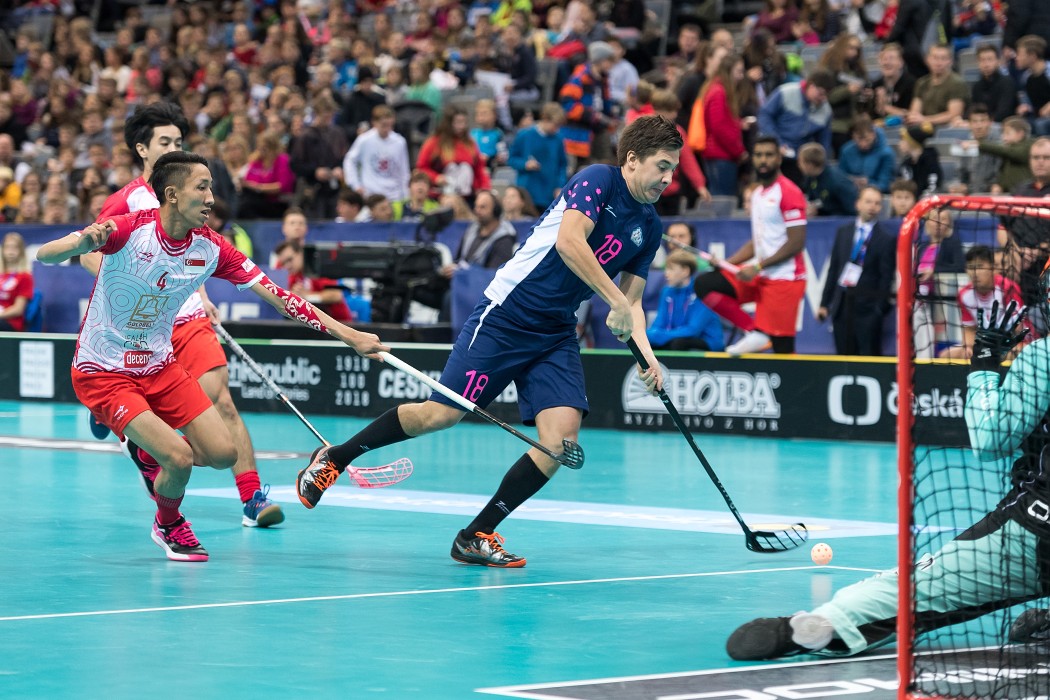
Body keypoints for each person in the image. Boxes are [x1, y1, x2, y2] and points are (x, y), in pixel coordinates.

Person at [294, 115, 682, 567]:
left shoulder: (649, 227)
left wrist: (647, 358)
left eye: (673, 169)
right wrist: (614, 300)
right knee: (440, 415)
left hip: (555, 332)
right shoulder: (598, 180)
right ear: (632, 160)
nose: (668, 179)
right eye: (662, 166)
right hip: (507, 314)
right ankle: (335, 459)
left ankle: (476, 533)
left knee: (559, 442)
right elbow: (569, 243)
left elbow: (631, 304)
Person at [39, 152, 389, 561]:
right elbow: (47, 253)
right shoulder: (129, 229)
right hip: (104, 369)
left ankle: (146, 450)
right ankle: (169, 522)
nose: (210, 198)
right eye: (201, 188)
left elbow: (281, 298)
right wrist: (81, 242)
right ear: (172, 194)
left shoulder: (211, 248)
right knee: (180, 459)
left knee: (224, 454)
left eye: (211, 188)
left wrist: (350, 336)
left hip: (159, 365)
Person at [726, 274, 1049, 661]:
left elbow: (989, 440)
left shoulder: (1042, 356)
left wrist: (984, 363)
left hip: (1036, 534)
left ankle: (824, 624)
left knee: (916, 588)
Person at [82, 102, 284, 529]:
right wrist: (130, 290)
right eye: (165, 141)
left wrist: (202, 293)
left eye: (178, 140)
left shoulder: (192, 191)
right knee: (154, 411)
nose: (174, 147)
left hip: (187, 315)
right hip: (137, 325)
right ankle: (136, 434)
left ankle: (251, 495)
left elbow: (193, 251)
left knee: (219, 398)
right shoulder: (124, 201)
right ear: (142, 149)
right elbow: (90, 253)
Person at [694, 135, 808, 356]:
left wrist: (756, 267)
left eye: (769, 155)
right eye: (758, 155)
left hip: (785, 280)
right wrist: (727, 263)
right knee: (705, 283)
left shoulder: (789, 192)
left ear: (779, 158)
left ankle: (765, 339)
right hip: (761, 277)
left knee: (783, 350)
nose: (763, 160)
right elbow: (758, 242)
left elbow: (796, 242)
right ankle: (754, 331)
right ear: (752, 159)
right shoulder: (756, 195)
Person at [817, 187, 896, 355]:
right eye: (868, 202)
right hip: (842, 307)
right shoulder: (843, 232)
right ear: (858, 204)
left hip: (868, 311)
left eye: (877, 203)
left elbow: (886, 277)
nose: (872, 206)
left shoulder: (886, 238)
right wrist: (824, 304)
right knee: (843, 359)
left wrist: (878, 311)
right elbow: (834, 269)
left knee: (868, 360)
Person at [939, 245, 1026, 360]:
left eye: (980, 267)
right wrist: (968, 347)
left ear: (993, 268)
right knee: (946, 355)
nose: (975, 272)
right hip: (984, 345)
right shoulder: (964, 295)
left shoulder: (1008, 288)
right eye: (970, 267)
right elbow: (969, 329)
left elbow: (1018, 329)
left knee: (1013, 354)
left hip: (1012, 343)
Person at [757, 70, 836, 185]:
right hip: (774, 152)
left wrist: (820, 162)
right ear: (811, 86)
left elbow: (824, 142)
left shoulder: (826, 111)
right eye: (821, 93)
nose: (823, 98)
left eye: (827, 95)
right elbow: (765, 115)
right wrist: (776, 142)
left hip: (799, 161)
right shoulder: (786, 92)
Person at [647, 250, 725, 352]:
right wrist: (650, 335)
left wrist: (660, 336)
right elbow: (658, 323)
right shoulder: (667, 291)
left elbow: (693, 330)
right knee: (647, 343)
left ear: (685, 271)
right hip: (677, 337)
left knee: (678, 343)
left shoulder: (702, 291)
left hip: (707, 342)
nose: (666, 274)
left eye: (671, 269)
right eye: (666, 269)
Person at [416, 106, 492, 202]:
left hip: (468, 196)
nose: (461, 126)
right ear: (448, 123)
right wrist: (436, 178)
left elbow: (479, 169)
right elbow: (421, 168)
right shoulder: (433, 143)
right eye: (458, 122)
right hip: (441, 196)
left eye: (464, 122)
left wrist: (485, 188)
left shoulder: (470, 143)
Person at [507, 102, 569, 210]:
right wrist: (525, 164)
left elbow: (562, 165)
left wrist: (560, 186)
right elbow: (511, 159)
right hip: (527, 192)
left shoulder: (558, 139)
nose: (556, 129)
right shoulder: (524, 135)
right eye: (555, 125)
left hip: (549, 194)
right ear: (545, 119)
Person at [273, 240, 354, 322]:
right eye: (283, 263)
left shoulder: (318, 269)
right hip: (315, 325)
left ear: (301, 254)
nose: (287, 266)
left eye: (290, 260)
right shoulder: (294, 276)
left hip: (340, 324)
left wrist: (307, 296)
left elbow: (336, 295)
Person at [343, 104, 411, 202]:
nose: (385, 127)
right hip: (371, 195)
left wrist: (405, 194)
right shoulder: (364, 140)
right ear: (374, 122)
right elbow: (350, 161)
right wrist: (355, 185)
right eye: (383, 124)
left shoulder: (400, 142)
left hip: (394, 196)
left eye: (388, 123)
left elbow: (403, 170)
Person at [906, 44, 969, 129]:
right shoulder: (921, 83)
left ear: (950, 61)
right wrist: (916, 118)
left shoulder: (957, 83)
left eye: (943, 58)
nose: (939, 63)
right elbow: (915, 112)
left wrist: (924, 119)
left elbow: (953, 115)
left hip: (947, 128)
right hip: (924, 127)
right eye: (935, 58)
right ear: (927, 60)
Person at [974, 116, 1035, 195]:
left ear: (1020, 133)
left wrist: (980, 144)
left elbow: (1015, 153)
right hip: (1008, 192)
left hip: (1025, 193)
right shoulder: (1008, 149)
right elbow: (1004, 172)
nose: (1003, 137)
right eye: (1003, 133)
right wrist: (999, 185)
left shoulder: (1030, 146)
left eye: (1007, 133)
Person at [838, 115, 897, 193]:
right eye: (858, 139)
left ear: (873, 134)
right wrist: (852, 181)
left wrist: (868, 183)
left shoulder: (887, 154)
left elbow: (885, 184)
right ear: (853, 136)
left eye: (867, 140)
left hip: (877, 194)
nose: (863, 144)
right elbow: (840, 178)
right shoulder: (846, 150)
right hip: (851, 192)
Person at [798, 143, 859, 217]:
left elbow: (853, 211)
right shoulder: (810, 177)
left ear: (809, 165)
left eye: (800, 161)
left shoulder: (837, 182)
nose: (799, 165)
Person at [0, 232, 34, 331]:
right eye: (7, 247)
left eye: (15, 247)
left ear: (21, 251)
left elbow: (18, 309)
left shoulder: (25, 277)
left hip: (11, 323)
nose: (11, 251)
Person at [897, 122, 942, 196]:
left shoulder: (931, 161)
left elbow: (933, 186)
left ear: (911, 142)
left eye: (902, 140)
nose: (899, 144)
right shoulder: (906, 164)